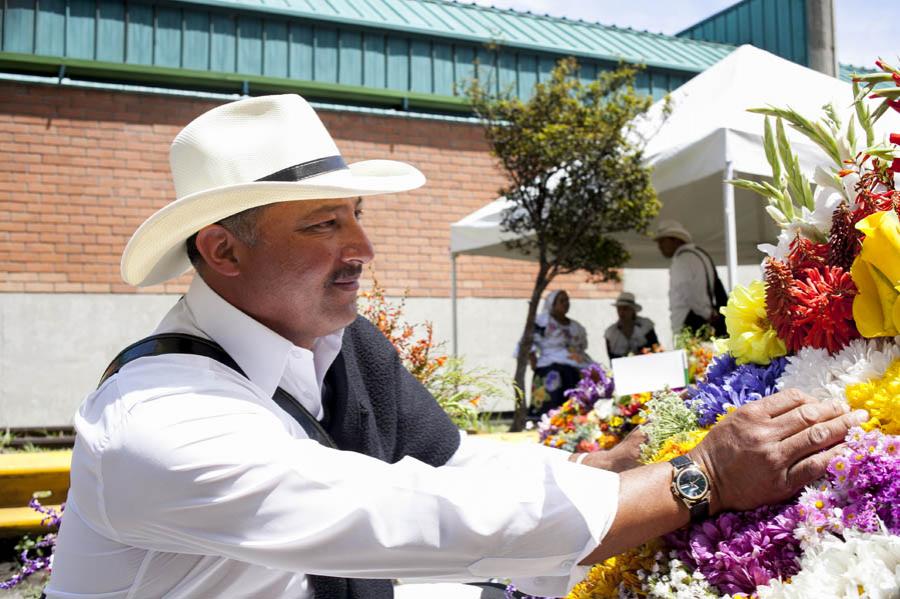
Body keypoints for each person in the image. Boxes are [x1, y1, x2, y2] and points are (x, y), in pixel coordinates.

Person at [46, 94, 867, 599]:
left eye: (356, 213)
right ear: (223, 252)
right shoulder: (159, 421)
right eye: (325, 223)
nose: (363, 246)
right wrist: (702, 477)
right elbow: (415, 515)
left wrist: (624, 466)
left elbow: (458, 468)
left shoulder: (346, 350)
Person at [654, 220, 728, 338]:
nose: (660, 246)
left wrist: (708, 314)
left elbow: (688, 292)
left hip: (691, 322)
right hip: (704, 319)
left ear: (675, 240)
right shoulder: (701, 254)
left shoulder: (682, 260)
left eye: (662, 241)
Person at [526, 290, 592, 416]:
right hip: (550, 360)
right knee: (557, 374)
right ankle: (548, 415)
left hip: (576, 360)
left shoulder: (575, 326)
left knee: (595, 372)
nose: (566, 303)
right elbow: (529, 340)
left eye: (567, 300)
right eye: (562, 301)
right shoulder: (543, 321)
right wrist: (533, 359)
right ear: (552, 304)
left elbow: (582, 346)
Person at [604, 291, 659, 359]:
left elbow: (656, 347)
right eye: (619, 309)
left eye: (625, 309)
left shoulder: (645, 326)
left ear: (633, 310)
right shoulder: (611, 333)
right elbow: (612, 358)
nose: (622, 312)